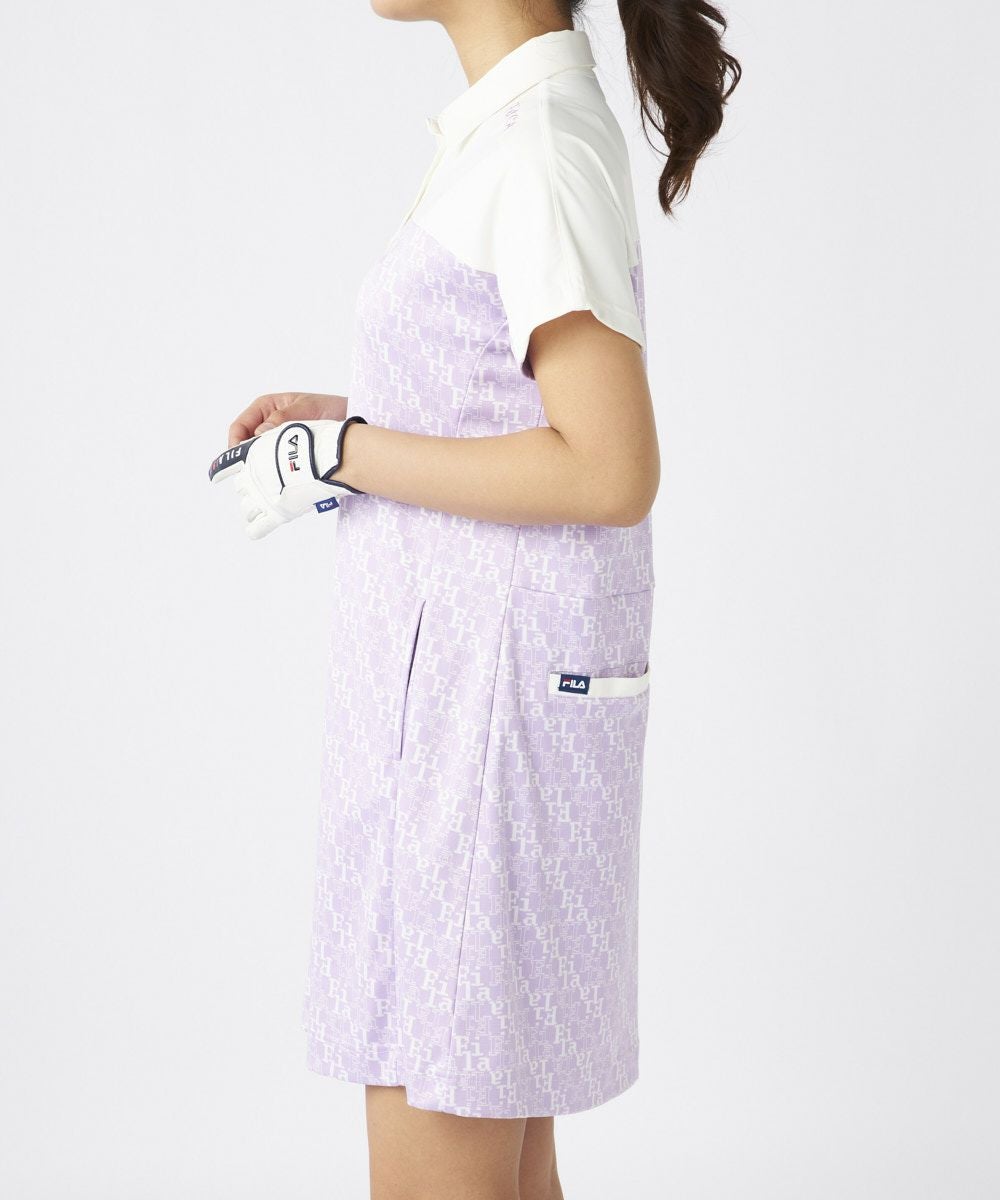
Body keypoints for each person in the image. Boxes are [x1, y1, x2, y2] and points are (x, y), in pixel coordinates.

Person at [211, 2, 739, 1197]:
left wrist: (347, 452)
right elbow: (500, 400)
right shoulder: (513, 130)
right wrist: (351, 422)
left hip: (477, 734)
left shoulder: (537, 143)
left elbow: (608, 466)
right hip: (461, 718)